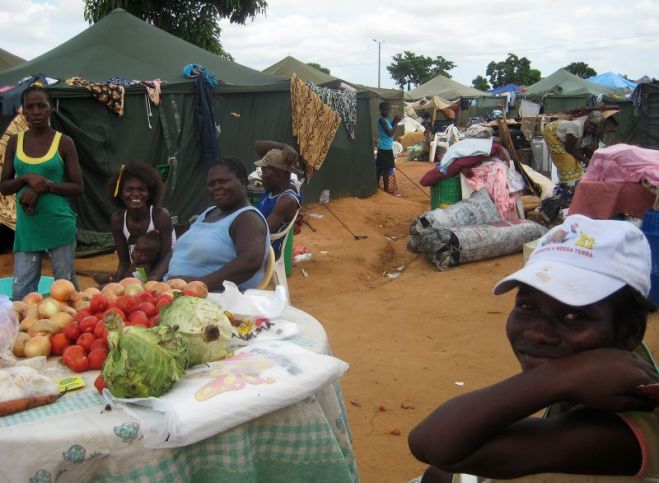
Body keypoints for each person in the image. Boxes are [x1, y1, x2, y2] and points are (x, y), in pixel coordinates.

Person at [409, 214, 659, 483]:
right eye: (527, 307)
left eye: (574, 317)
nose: (538, 333)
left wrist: (561, 377)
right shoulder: (606, 368)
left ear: (628, 332)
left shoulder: (620, 434)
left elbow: (432, 442)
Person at [0, 83, 84, 300]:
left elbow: (77, 187)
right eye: (30, 107)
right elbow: (4, 186)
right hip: (28, 229)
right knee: (21, 295)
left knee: (66, 292)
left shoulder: (64, 142)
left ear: (51, 108)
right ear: (23, 111)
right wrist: (28, 178)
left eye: (41, 106)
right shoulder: (14, 142)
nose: (36, 111)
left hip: (58, 224)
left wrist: (44, 185)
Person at [159, 157, 270, 292]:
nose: (216, 187)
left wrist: (198, 285)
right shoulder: (209, 212)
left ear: (242, 183)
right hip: (172, 290)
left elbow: (250, 261)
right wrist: (154, 278)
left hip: (210, 299)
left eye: (223, 181)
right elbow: (176, 251)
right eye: (211, 184)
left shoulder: (247, 219)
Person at [101, 161, 174, 283]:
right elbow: (124, 261)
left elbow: (167, 256)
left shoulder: (160, 216)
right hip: (139, 273)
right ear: (120, 194)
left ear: (149, 193)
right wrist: (119, 282)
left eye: (141, 189)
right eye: (129, 189)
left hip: (165, 274)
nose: (135, 194)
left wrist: (153, 280)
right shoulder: (118, 220)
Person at [253, 140, 302, 258]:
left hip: (262, 253)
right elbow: (257, 145)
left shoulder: (286, 200)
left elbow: (261, 233)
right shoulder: (274, 189)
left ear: (279, 173)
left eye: (264, 172)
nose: (262, 176)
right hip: (252, 243)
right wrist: (284, 146)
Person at [542, 111, 606, 187]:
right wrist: (587, 161)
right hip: (552, 132)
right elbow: (569, 148)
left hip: (566, 139)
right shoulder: (577, 127)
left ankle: (573, 186)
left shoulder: (592, 135)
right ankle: (565, 188)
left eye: (596, 126)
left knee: (578, 164)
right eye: (591, 123)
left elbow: (587, 152)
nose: (592, 127)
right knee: (567, 161)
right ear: (587, 120)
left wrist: (594, 164)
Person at [376, 101, 402, 194]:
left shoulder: (384, 120)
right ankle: (386, 190)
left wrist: (394, 121)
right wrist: (396, 123)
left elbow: (389, 127)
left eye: (388, 109)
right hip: (385, 148)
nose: (387, 111)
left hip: (384, 147)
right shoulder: (381, 120)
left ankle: (377, 187)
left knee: (380, 168)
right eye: (385, 110)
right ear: (381, 110)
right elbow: (390, 132)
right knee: (386, 169)